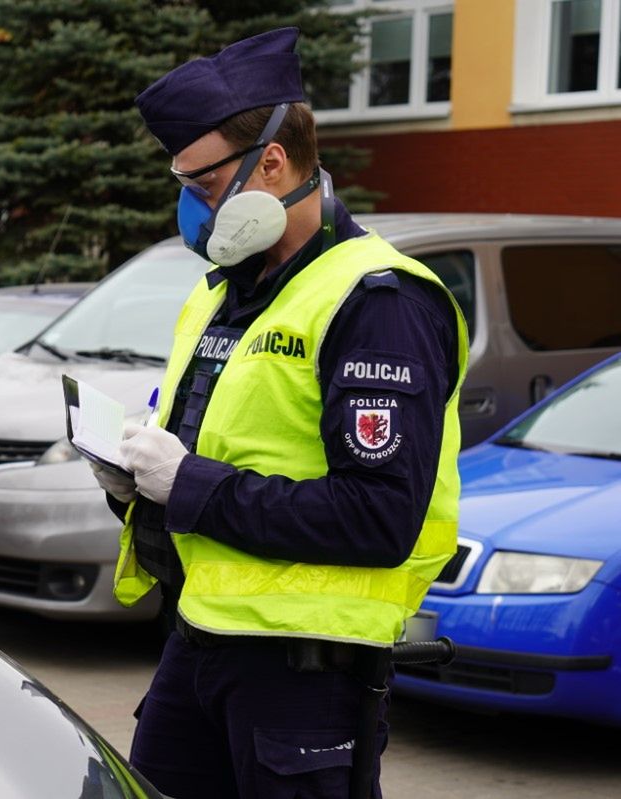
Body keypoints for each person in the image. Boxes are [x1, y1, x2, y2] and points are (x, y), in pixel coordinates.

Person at [90, 28, 468, 799]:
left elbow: (377, 518)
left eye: (202, 186)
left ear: (272, 162)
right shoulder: (223, 295)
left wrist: (188, 483)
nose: (192, 209)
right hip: (199, 640)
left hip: (305, 671)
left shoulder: (377, 301)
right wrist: (131, 478)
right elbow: (210, 446)